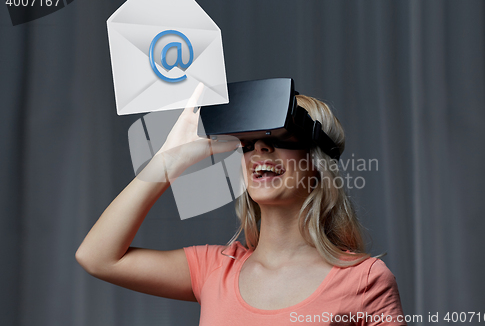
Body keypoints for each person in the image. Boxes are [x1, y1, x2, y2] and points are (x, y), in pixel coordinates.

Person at [76, 83, 406, 325]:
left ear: (317, 161)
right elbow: (98, 257)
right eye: (247, 145)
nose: (260, 151)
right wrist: (168, 159)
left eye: (280, 139)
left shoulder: (364, 280)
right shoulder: (215, 269)